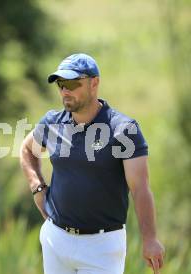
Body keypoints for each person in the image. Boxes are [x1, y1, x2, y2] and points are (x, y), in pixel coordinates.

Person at [20, 53, 165, 274]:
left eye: (71, 83)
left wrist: (150, 239)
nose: (65, 91)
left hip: (102, 246)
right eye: (60, 84)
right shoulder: (53, 122)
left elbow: (140, 188)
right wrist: (37, 186)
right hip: (55, 239)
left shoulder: (123, 129)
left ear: (94, 83)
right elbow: (27, 149)